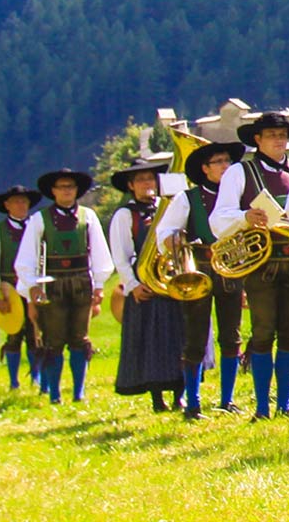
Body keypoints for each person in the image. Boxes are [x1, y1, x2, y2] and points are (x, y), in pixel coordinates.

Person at [212, 112, 289, 419]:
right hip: (261, 264)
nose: (279, 140)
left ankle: (285, 403)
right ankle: (261, 406)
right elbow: (218, 221)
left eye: (283, 134)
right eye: (271, 135)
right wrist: (245, 217)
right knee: (263, 331)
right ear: (257, 139)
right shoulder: (240, 173)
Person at [158, 139, 248, 419]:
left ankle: (227, 399)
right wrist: (174, 239)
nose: (225, 166)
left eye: (227, 161)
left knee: (231, 336)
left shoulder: (241, 195)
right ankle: (193, 402)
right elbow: (165, 232)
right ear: (205, 169)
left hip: (232, 268)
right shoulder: (188, 198)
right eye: (218, 162)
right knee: (195, 337)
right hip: (199, 269)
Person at [17, 169, 113, 404]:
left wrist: (99, 285)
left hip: (81, 282)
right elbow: (27, 255)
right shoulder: (40, 219)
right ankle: (56, 393)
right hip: (52, 284)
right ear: (53, 191)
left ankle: (79, 392)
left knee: (80, 337)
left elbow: (100, 252)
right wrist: (31, 286)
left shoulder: (88, 216)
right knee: (54, 339)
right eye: (61, 187)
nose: (66, 190)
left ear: (76, 190)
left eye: (70, 186)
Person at [106, 159, 184, 412]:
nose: (147, 184)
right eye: (140, 180)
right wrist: (133, 285)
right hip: (145, 287)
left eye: (150, 178)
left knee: (177, 339)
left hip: (171, 283)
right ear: (130, 185)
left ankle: (179, 394)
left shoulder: (168, 208)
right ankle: (157, 398)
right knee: (151, 343)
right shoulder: (125, 215)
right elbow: (121, 254)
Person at [0, 184, 45, 393]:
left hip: (33, 287)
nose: (20, 205)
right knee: (14, 333)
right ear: (7, 205)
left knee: (36, 332)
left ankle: (37, 378)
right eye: (16, 201)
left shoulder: (37, 226)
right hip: (11, 288)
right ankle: (14, 381)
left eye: (24, 201)